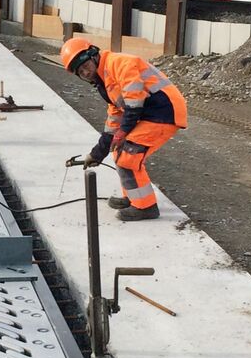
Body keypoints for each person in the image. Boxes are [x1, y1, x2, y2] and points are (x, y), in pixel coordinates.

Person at [60, 37, 187, 221]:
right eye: (81, 72)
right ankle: (133, 197)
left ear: (94, 56)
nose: (86, 72)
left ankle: (146, 207)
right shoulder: (104, 81)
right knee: (120, 151)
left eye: (86, 65)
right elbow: (114, 119)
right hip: (150, 114)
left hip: (164, 112)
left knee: (128, 155)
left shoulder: (119, 63)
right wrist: (97, 153)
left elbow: (134, 103)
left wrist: (122, 133)